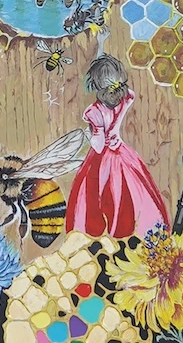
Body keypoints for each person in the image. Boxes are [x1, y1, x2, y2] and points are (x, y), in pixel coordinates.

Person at [64, 53, 167, 238]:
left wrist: (89, 134)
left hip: (101, 159)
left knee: (98, 196)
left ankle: (105, 234)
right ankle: (140, 231)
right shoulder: (125, 99)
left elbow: (98, 144)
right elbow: (126, 92)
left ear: (96, 87)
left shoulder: (95, 111)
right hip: (122, 153)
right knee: (133, 194)